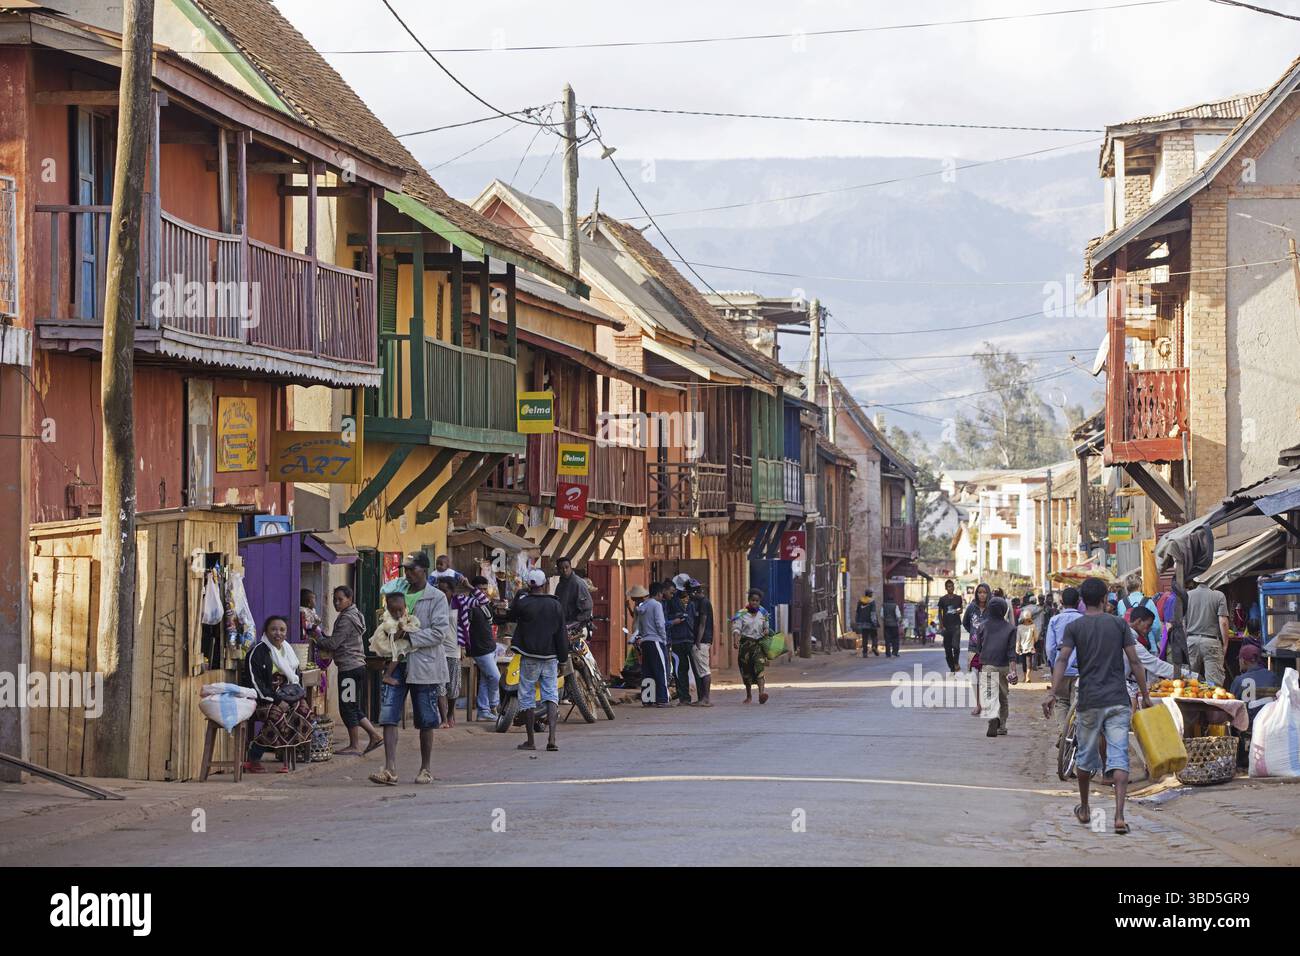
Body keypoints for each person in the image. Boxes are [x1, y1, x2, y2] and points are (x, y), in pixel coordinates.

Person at [1043, 576, 1151, 836]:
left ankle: (1084, 806)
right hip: (1117, 700)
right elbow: (1135, 662)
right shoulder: (1119, 625)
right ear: (1105, 599)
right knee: (1119, 756)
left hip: (1089, 701)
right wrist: (1145, 694)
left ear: (1082, 601)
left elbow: (1062, 660)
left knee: (1085, 757)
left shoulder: (1075, 628)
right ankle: (1119, 816)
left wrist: (1053, 692)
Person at [370, 552, 451, 786]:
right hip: (397, 662)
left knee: (426, 718)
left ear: (424, 570)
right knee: (388, 716)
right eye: (406, 569)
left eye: (412, 569)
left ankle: (425, 768)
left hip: (423, 664)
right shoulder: (398, 591)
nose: (408, 574)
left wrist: (411, 635)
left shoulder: (436, 598)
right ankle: (389, 768)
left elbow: (439, 633)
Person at [500, 568, 568, 751]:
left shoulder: (523, 603)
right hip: (550, 657)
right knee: (551, 695)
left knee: (527, 696)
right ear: (544, 584)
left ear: (529, 586)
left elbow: (509, 615)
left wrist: (519, 596)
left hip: (529, 657)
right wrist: (563, 659)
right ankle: (552, 738)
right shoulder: (555, 605)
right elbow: (562, 635)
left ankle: (531, 741)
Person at [313, 585, 382, 756]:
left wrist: (317, 638)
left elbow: (334, 644)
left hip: (349, 668)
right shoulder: (355, 615)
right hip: (356, 666)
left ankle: (355, 744)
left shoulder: (346, 619)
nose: (337, 603)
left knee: (347, 707)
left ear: (349, 600)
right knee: (351, 705)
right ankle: (374, 735)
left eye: (340, 599)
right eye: (334, 599)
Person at [242, 615, 315, 773]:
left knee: (303, 711)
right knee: (278, 715)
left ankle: (286, 760)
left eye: (282, 630)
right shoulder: (257, 652)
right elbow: (256, 684)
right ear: (266, 631)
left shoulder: (288, 651)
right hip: (262, 699)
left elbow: (295, 678)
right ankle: (254, 756)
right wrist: (276, 700)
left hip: (286, 696)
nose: (278, 633)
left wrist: (293, 698)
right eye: (273, 629)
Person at [976, 597, 1018, 737]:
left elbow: (978, 648)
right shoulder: (1011, 628)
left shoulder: (982, 626)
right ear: (1004, 610)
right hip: (1004, 667)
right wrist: (1013, 671)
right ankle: (1002, 726)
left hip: (988, 665)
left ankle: (993, 717)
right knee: (1003, 697)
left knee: (989, 694)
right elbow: (1012, 652)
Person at [1045, 586, 1082, 739]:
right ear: (1079, 602)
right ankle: (1072, 735)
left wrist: (1053, 665)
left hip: (1061, 669)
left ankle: (1063, 733)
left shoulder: (1055, 620)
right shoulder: (1084, 620)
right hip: (1080, 670)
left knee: (1060, 702)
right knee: (1077, 705)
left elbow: (1050, 648)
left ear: (1061, 601)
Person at [465, 575, 500, 721]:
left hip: (490, 646)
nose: (484, 592)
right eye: (481, 589)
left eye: (486, 589)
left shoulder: (485, 604)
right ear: (474, 590)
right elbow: (465, 627)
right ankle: (493, 705)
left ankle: (483, 711)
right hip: (479, 648)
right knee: (495, 677)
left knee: (486, 679)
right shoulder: (469, 605)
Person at [1185, 579, 1230, 686]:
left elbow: (1183, 622)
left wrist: (1185, 640)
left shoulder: (1187, 596)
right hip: (1211, 642)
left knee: (1190, 681)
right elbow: (1223, 622)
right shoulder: (1219, 595)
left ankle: (1190, 702)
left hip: (1191, 640)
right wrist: (1225, 644)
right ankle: (1212, 701)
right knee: (1213, 683)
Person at [432, 577, 463, 730]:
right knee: (440, 686)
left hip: (454, 650)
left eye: (445, 590)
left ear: (452, 591)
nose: (441, 593)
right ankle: (443, 718)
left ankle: (450, 713)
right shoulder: (434, 605)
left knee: (453, 688)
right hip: (438, 650)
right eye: (439, 589)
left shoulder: (459, 605)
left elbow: (481, 600)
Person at [732, 588, 773, 704]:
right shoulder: (741, 614)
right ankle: (749, 695)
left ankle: (761, 694)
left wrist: (765, 631)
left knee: (759, 668)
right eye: (752, 600)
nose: (754, 602)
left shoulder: (763, 613)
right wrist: (735, 640)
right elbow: (736, 628)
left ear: (760, 602)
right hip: (745, 646)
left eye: (757, 601)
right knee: (746, 671)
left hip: (758, 646)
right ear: (749, 600)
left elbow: (766, 626)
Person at [635, 580, 671, 707]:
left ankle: (647, 699)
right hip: (656, 641)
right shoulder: (656, 605)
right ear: (659, 593)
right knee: (661, 670)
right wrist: (664, 639)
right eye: (662, 594)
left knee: (648, 671)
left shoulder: (643, 605)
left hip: (645, 641)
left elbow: (638, 625)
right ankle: (662, 699)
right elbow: (660, 624)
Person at [371, 591, 417, 686]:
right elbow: (394, 638)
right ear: (388, 609)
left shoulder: (404, 614)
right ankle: (387, 675)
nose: (398, 614)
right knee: (400, 653)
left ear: (405, 606)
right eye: (393, 611)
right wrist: (400, 629)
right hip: (387, 641)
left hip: (393, 641)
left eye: (400, 610)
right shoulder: (389, 621)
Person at [666, 574, 699, 704]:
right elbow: (666, 618)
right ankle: (684, 697)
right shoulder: (671, 602)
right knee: (680, 670)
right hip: (677, 640)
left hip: (691, 639)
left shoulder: (693, 602)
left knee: (696, 669)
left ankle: (701, 697)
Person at [964, 583, 992, 715]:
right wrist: (974, 634)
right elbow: (965, 623)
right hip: (974, 648)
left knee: (988, 677)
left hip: (989, 647)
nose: (982, 595)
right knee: (974, 677)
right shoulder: (971, 608)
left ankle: (988, 704)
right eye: (979, 592)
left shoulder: (992, 608)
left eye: (984, 592)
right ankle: (978, 704)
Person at [690, 580, 715, 706]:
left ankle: (706, 699)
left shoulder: (704, 603)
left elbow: (702, 624)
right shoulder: (698, 602)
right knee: (699, 670)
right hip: (701, 640)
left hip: (703, 641)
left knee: (704, 670)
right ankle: (701, 698)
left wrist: (698, 641)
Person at [554, 556, 593, 630]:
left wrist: (576, 622)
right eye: (561, 568)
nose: (564, 570)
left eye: (566, 567)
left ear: (570, 567)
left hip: (575, 626)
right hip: (564, 624)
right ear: (558, 570)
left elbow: (588, 607)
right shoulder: (560, 585)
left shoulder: (577, 583)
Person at [937, 579, 964, 672]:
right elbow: (939, 612)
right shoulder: (942, 599)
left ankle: (956, 663)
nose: (950, 588)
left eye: (952, 586)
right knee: (948, 649)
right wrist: (941, 625)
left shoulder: (958, 598)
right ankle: (952, 668)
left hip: (956, 625)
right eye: (948, 586)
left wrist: (958, 611)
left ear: (954, 587)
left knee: (956, 646)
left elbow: (961, 609)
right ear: (946, 588)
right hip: (946, 627)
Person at [855, 588, 880, 657]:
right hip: (871, 623)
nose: (872, 594)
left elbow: (857, 612)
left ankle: (865, 652)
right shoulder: (872, 601)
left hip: (863, 623)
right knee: (874, 636)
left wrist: (857, 621)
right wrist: (874, 622)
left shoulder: (860, 601)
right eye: (871, 593)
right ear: (870, 594)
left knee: (865, 637)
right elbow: (873, 613)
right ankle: (874, 646)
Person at [1016, 608, 1037, 679]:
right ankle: (1028, 676)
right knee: (1029, 661)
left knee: (1023, 663)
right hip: (1030, 647)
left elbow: (1018, 639)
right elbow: (1036, 637)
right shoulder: (1033, 626)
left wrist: (1017, 648)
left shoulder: (1019, 627)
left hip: (1022, 648)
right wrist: (1034, 641)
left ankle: (1025, 676)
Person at [881, 593, 902, 658]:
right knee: (895, 639)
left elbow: (881, 615)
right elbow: (898, 616)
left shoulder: (883, 605)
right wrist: (898, 622)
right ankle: (895, 652)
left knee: (887, 639)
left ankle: (888, 653)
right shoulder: (895, 605)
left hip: (886, 625)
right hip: (894, 625)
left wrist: (885, 620)